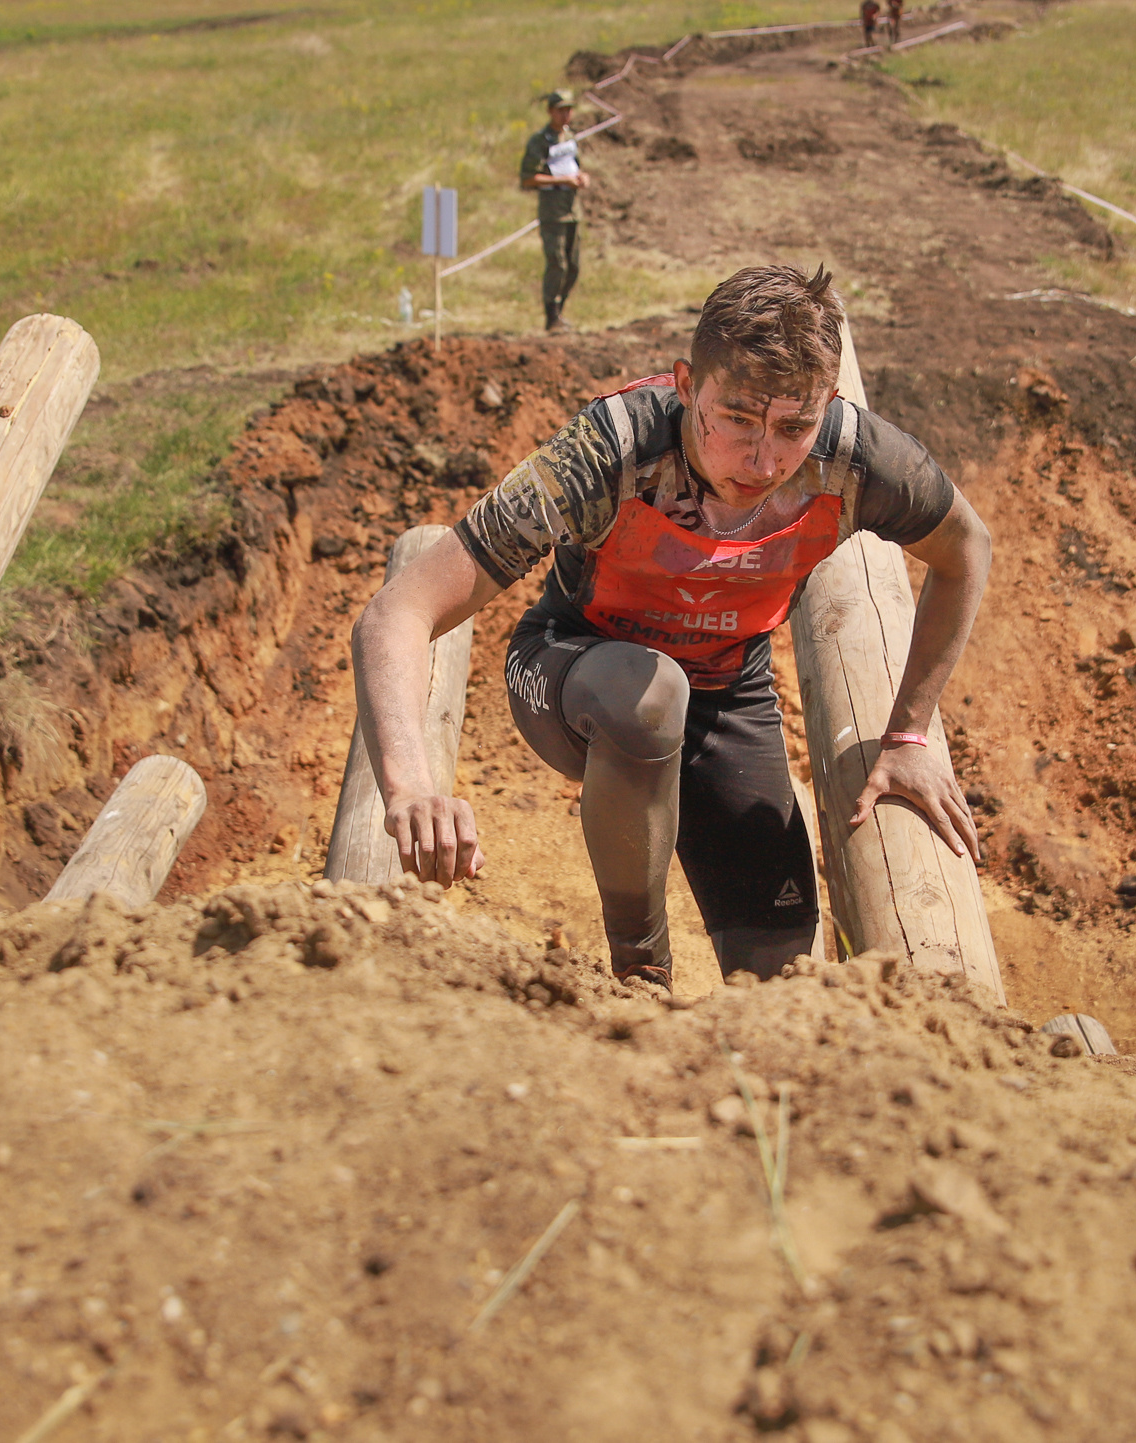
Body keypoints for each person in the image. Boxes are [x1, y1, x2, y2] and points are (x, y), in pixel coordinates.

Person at [351, 264, 991, 988]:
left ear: (829, 407)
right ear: (687, 386)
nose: (763, 458)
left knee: (782, 973)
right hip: (575, 667)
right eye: (739, 418)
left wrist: (908, 733)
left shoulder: (854, 458)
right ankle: (638, 966)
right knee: (650, 694)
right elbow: (394, 614)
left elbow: (968, 549)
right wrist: (408, 788)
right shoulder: (611, 450)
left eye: (792, 428)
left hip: (725, 686)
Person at [519, 88, 590, 332]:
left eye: (569, 109)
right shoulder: (539, 141)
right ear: (550, 111)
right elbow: (528, 178)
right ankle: (551, 315)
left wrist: (580, 178)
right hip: (552, 212)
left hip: (573, 211)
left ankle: (560, 311)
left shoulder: (570, 138)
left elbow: (574, 166)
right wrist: (560, 182)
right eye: (560, 110)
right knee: (556, 263)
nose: (565, 115)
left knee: (573, 266)